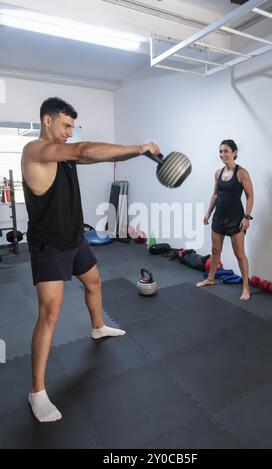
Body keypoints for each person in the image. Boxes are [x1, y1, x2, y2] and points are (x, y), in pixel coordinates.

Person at [21, 97, 160, 423]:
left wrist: (138, 153)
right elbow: (83, 150)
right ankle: (36, 392)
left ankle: (98, 327)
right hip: (50, 246)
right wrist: (139, 146)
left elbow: (93, 156)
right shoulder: (36, 150)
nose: (69, 132)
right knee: (50, 313)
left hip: (75, 238)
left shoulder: (65, 155)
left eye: (72, 127)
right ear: (47, 121)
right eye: (65, 125)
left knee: (94, 281)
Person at [196, 139, 254, 301]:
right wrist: (208, 213)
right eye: (221, 151)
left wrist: (247, 217)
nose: (223, 154)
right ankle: (210, 278)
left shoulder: (242, 173)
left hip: (236, 219)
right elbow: (215, 194)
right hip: (219, 217)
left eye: (226, 151)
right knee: (215, 250)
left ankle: (246, 287)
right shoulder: (218, 173)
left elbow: (250, 196)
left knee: (239, 254)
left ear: (234, 152)